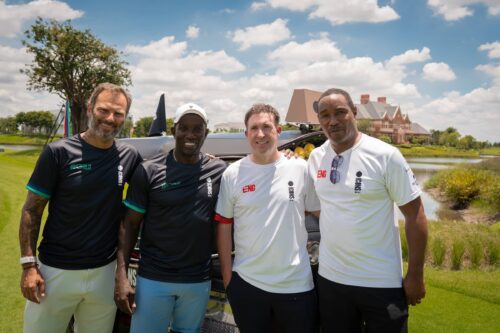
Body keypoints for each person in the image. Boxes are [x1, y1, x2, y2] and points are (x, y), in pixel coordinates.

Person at [19, 83, 142, 333]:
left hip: (104, 273)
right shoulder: (58, 152)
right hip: (55, 272)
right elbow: (32, 210)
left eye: (118, 114)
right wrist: (29, 266)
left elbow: (158, 178)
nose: (110, 118)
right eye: (104, 110)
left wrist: (203, 162)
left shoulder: (129, 156)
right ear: (89, 108)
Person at [308, 88, 428, 332]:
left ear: (354, 112)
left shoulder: (385, 155)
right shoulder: (316, 157)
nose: (333, 121)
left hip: (381, 283)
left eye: (340, 112)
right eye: (325, 115)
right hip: (332, 280)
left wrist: (415, 274)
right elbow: (325, 207)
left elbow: (416, 216)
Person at [114, 103, 227, 333]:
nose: (190, 134)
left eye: (197, 129)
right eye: (183, 128)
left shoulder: (219, 171)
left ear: (206, 133)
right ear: (173, 131)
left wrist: (286, 156)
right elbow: (129, 224)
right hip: (154, 279)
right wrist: (121, 275)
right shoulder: (149, 170)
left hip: (197, 280)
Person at [216, 103, 319, 333]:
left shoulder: (300, 168)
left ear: (278, 131)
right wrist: (228, 278)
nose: (260, 134)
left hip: (296, 286)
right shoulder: (233, 174)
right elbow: (224, 225)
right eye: (254, 128)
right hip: (248, 285)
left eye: (266, 127)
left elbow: (320, 213)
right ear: (246, 134)